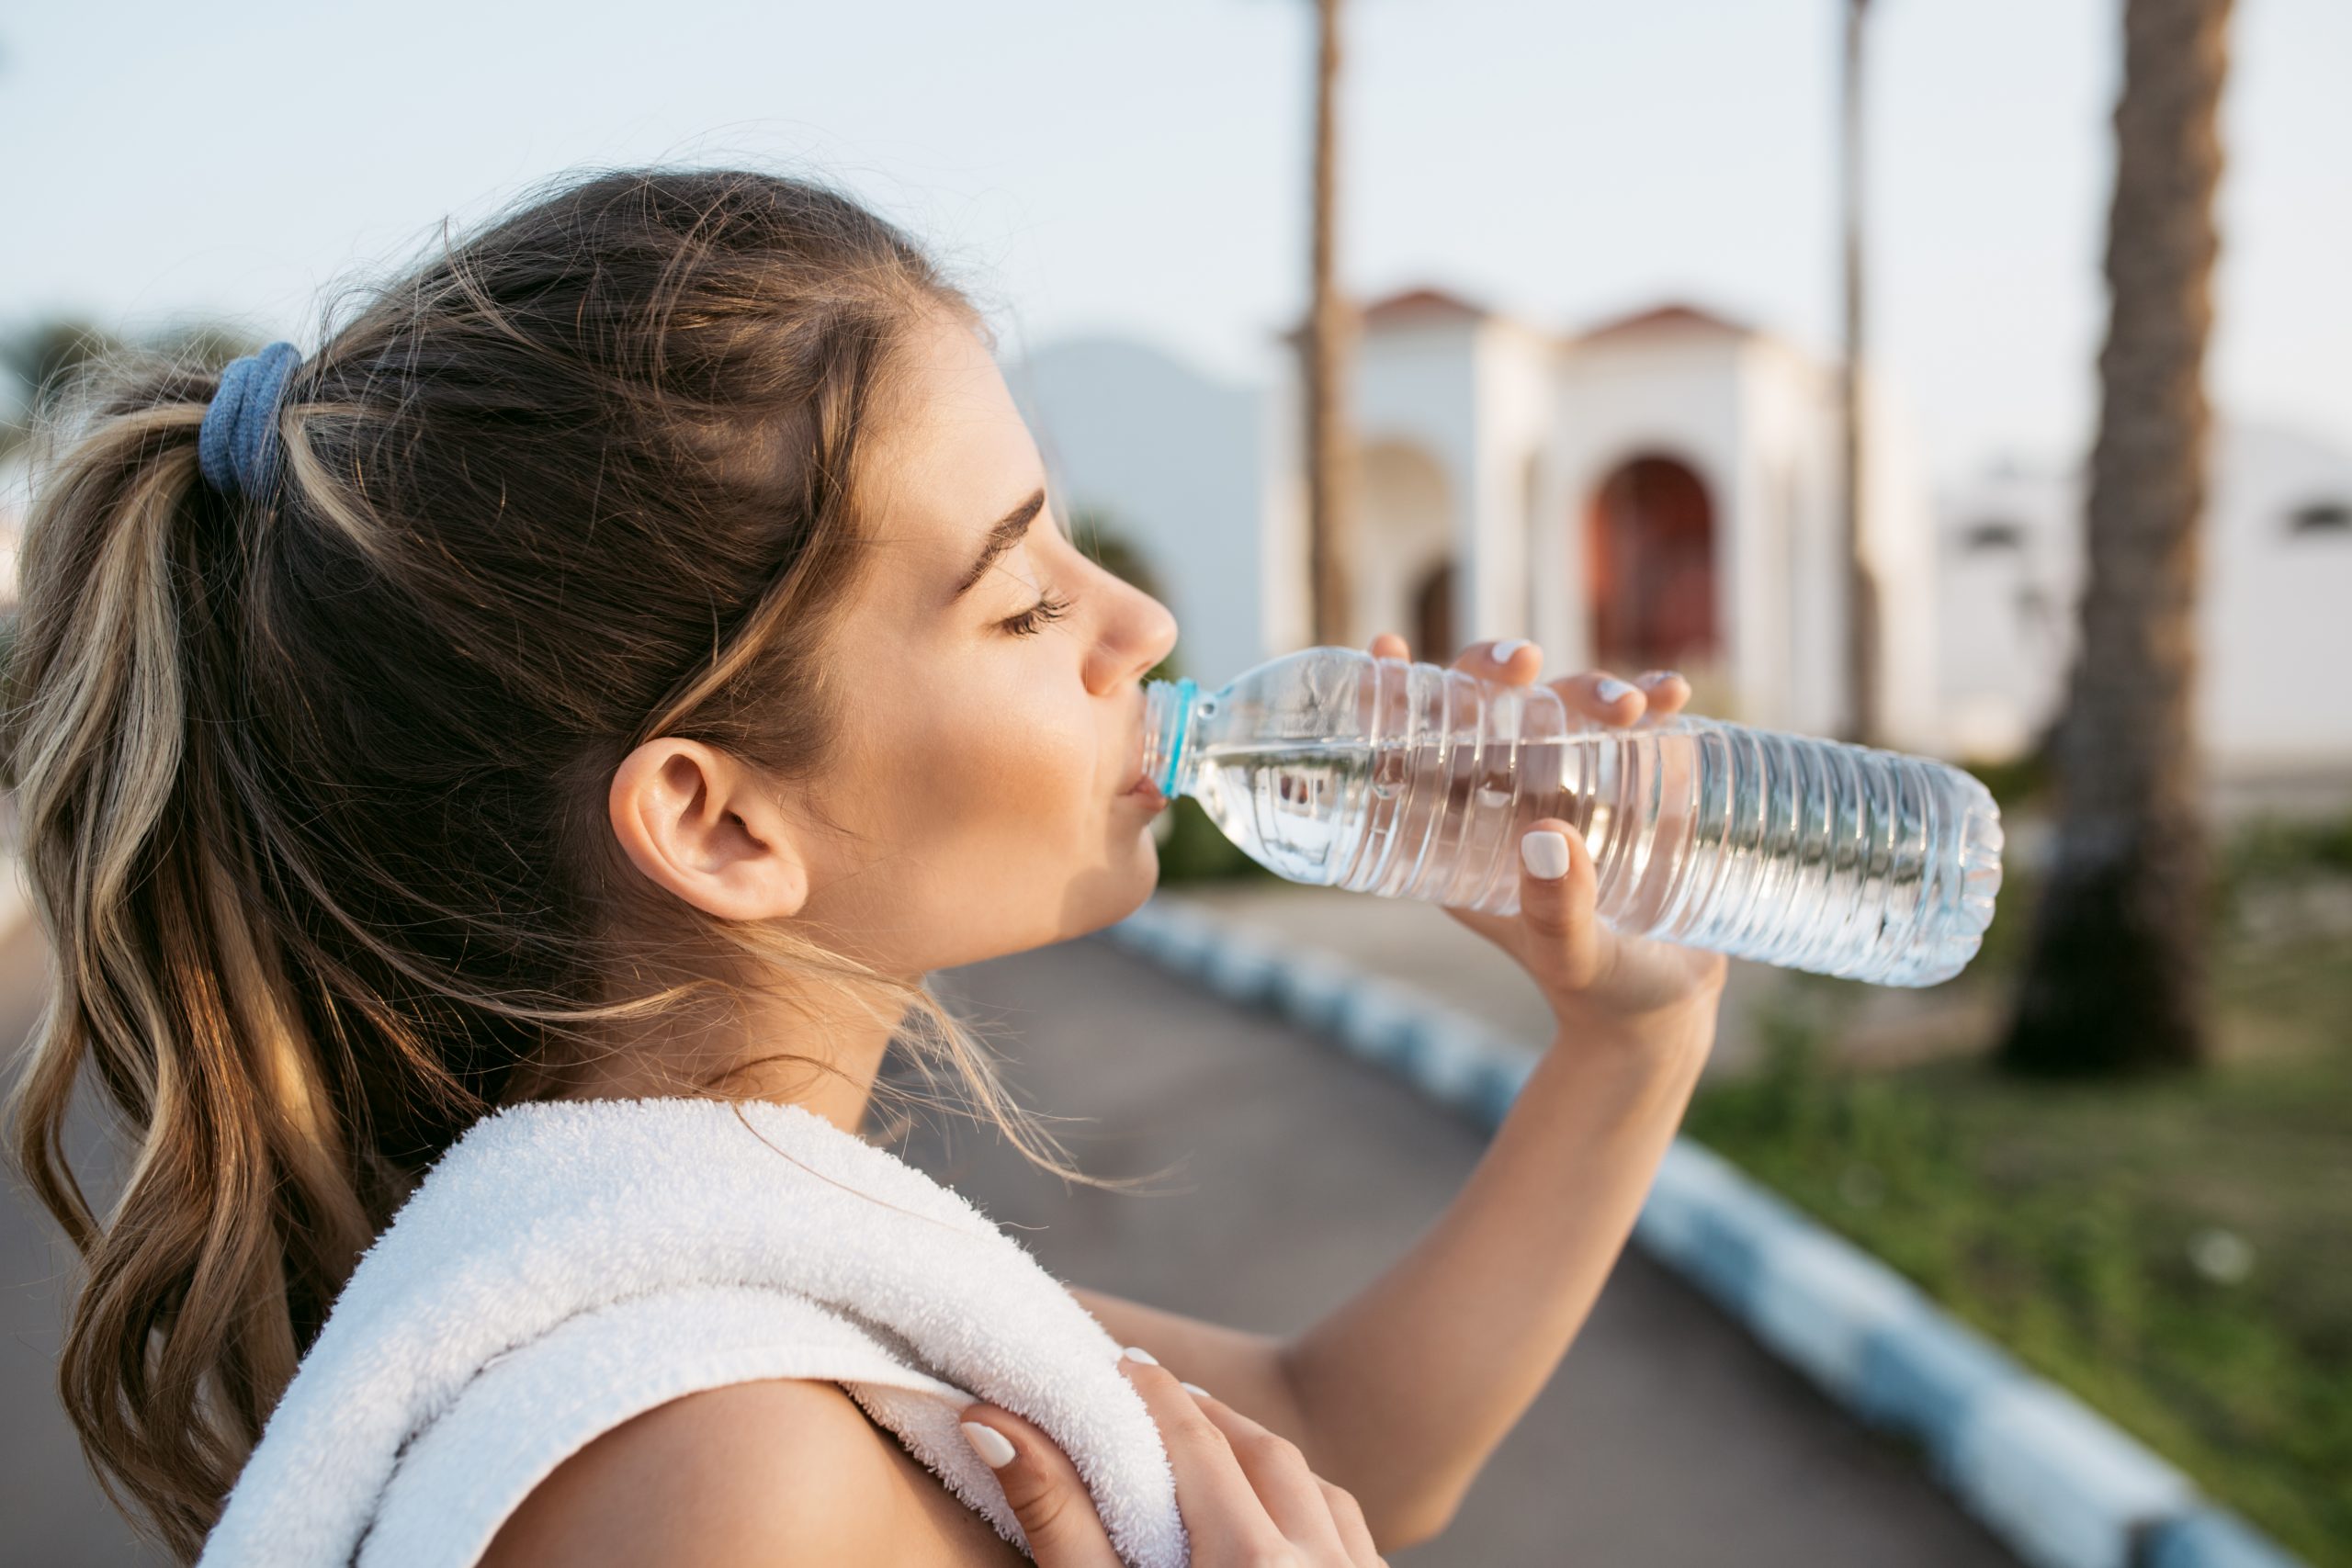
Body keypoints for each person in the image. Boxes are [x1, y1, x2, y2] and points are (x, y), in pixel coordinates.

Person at [4, 167, 1725, 1566]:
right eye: (1024, 598)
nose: (1143, 624)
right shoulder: (718, 1487)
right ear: (721, 822)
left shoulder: (759, 1277)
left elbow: (1339, 1439)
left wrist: (1630, 1037)